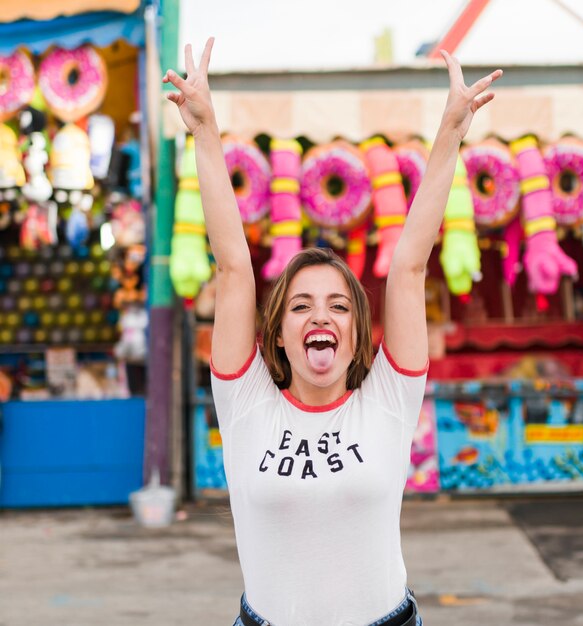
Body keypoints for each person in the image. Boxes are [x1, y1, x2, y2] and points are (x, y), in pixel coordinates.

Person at [164, 38, 502, 626]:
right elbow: (233, 267)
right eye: (300, 306)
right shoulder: (245, 404)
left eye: (339, 307)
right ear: (276, 336)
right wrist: (205, 133)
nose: (320, 316)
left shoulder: (389, 402)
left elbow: (409, 265)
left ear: (356, 333)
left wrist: (450, 133)